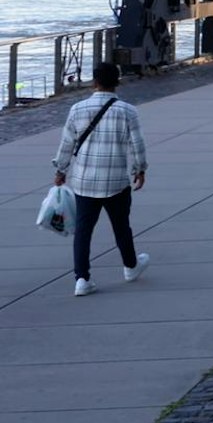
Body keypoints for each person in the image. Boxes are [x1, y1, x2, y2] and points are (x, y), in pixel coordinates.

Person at [52, 62, 150, 296]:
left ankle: (82, 279)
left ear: (94, 82)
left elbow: (67, 143)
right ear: (117, 82)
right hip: (116, 179)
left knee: (83, 231)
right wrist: (140, 169)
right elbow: (137, 144)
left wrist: (60, 170)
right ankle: (130, 266)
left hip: (84, 181)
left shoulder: (77, 109)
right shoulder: (127, 111)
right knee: (121, 226)